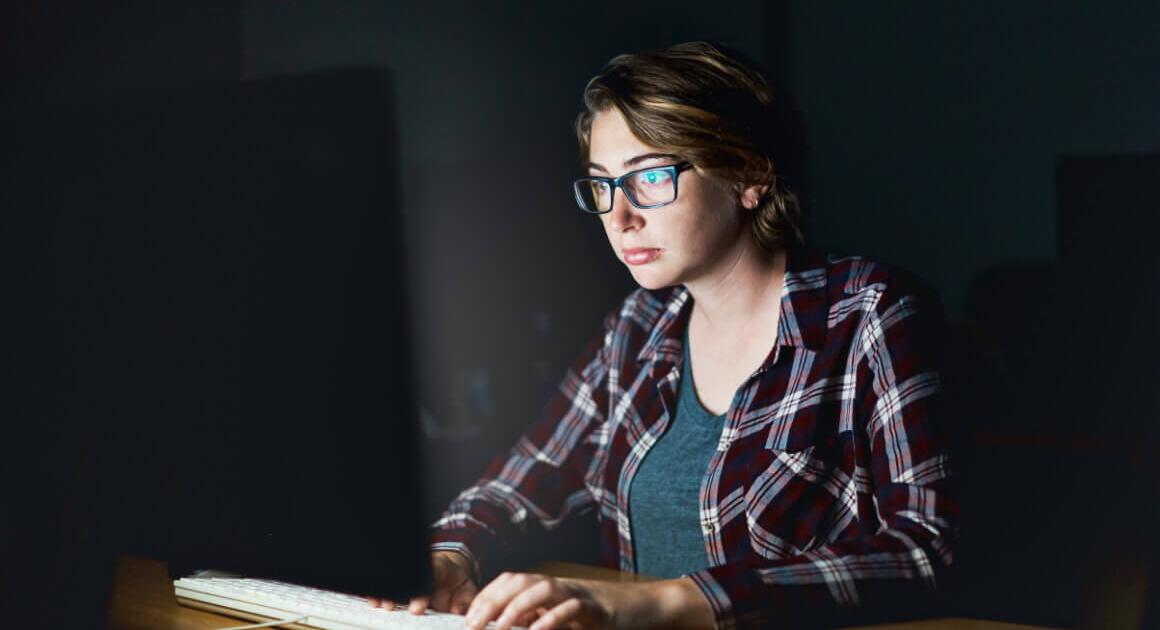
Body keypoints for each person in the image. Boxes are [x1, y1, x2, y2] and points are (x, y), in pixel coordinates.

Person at [372, 41, 960, 629]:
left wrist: (671, 602)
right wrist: (449, 553)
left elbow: (924, 550)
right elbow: (525, 481)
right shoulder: (636, 329)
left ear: (750, 175)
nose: (620, 217)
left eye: (651, 177)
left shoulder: (870, 314)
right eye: (602, 185)